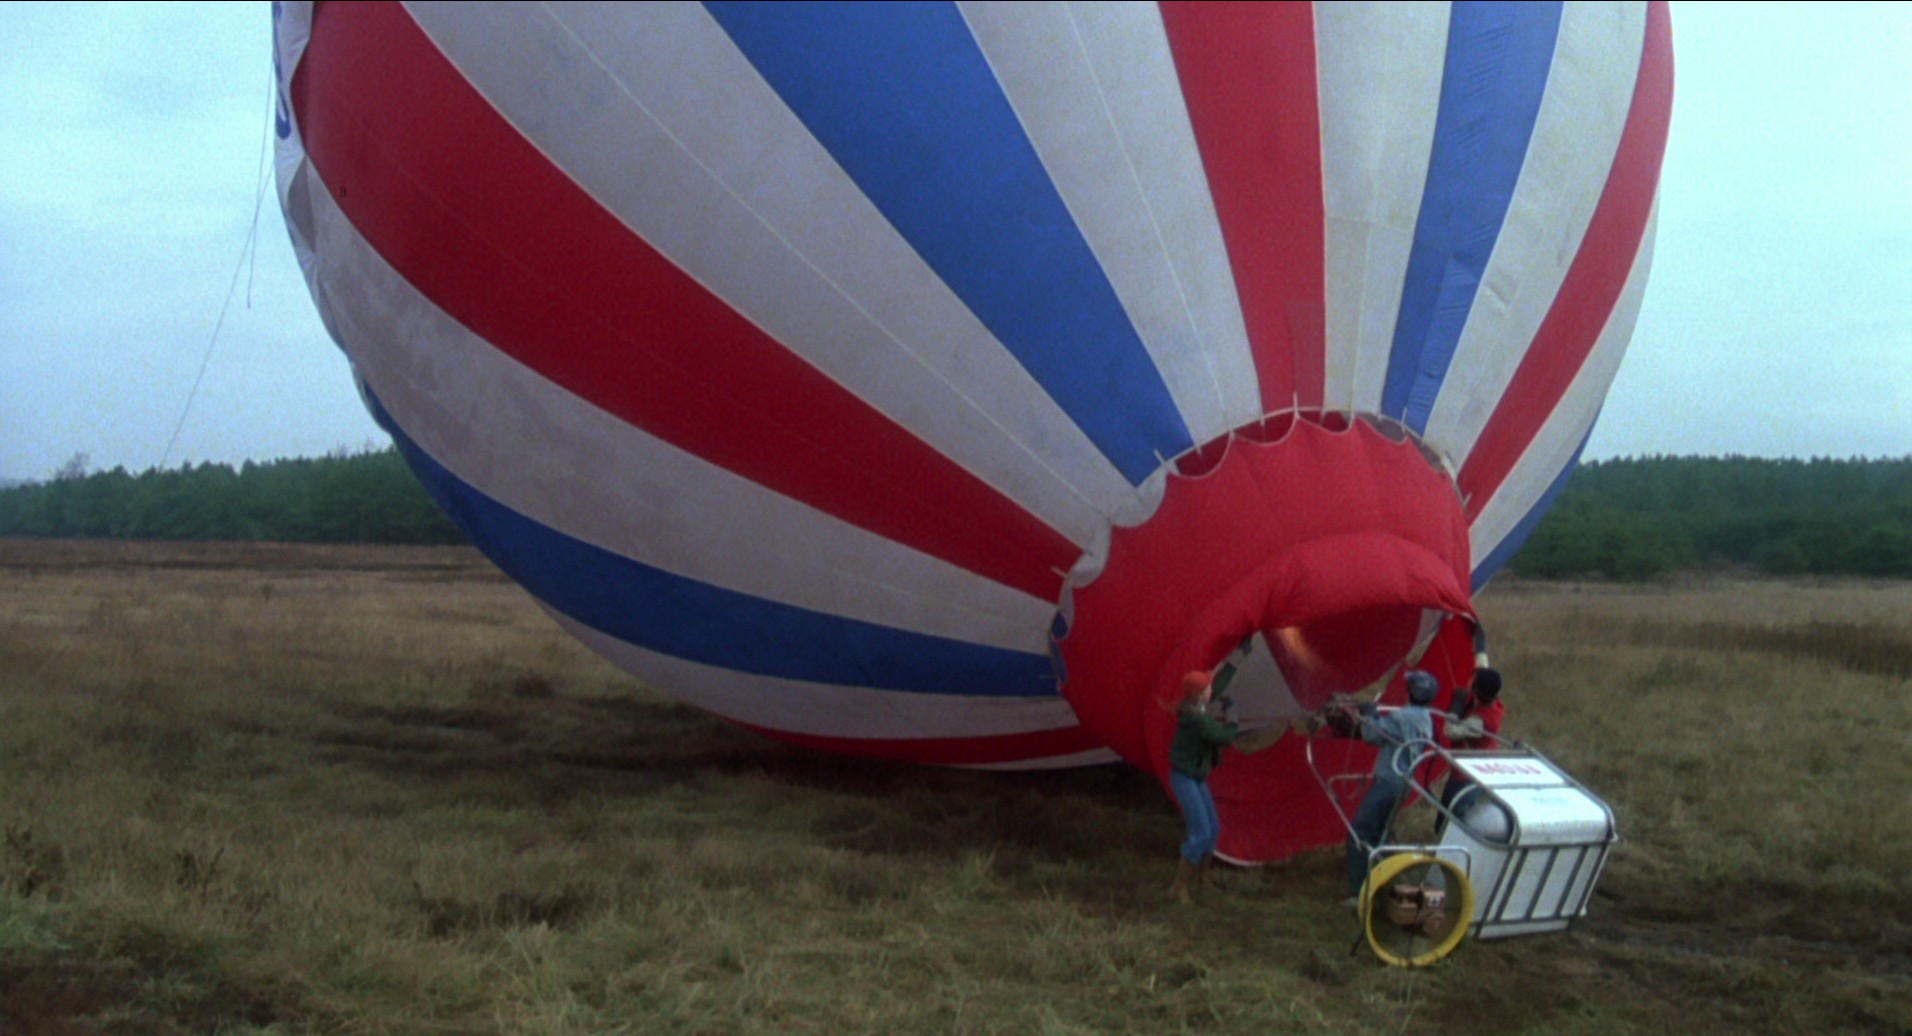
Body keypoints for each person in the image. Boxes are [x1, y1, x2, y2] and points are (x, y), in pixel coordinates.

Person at [1166, 666, 1284, 902]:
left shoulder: (1194, 706)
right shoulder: (1197, 719)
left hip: (1194, 777)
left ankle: (1203, 880)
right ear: (1201, 694)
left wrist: (1236, 661)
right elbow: (1225, 737)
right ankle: (1178, 888)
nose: (1212, 689)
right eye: (1207, 687)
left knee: (1213, 829)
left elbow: (1215, 688)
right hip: (1184, 778)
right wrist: (1233, 717)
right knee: (1200, 833)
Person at [1338, 669, 1440, 906]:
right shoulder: (1426, 718)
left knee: (1360, 832)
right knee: (1379, 834)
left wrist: (1369, 715)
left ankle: (1360, 892)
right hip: (1403, 783)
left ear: (1410, 692)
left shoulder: (1402, 717)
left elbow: (1371, 734)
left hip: (1388, 781)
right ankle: (1383, 884)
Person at [1437, 666, 1504, 832]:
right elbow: (1483, 665)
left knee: (1450, 820)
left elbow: (1450, 731)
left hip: (1465, 776)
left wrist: (1455, 707)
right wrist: (1479, 644)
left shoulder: (1480, 722)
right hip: (1475, 770)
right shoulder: (1493, 704)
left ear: (1478, 691)